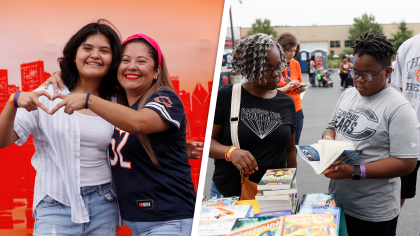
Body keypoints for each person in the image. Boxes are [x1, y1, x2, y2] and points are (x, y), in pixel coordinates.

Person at [43, 34, 197, 235]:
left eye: (141, 61)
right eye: (125, 60)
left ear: (156, 71)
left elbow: (138, 123)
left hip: (169, 219)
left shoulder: (166, 98)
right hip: (136, 221)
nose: (132, 66)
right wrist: (61, 75)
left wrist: (87, 100)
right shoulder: (117, 103)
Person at [0, 20, 122, 235]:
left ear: (112, 60)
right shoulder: (46, 94)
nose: (95, 55)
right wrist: (13, 101)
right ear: (74, 54)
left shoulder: (117, 101)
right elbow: (2, 141)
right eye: (87, 48)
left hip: (105, 203)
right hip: (56, 202)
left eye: (104, 50)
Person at [322, 32, 419, 236]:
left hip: (373, 213)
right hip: (338, 202)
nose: (358, 80)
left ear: (388, 72)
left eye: (367, 74)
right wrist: (329, 141)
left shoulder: (399, 107)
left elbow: (407, 162)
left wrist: (354, 171)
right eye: (354, 72)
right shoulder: (349, 94)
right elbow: (331, 125)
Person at [209, 33, 297, 198]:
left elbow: (290, 151)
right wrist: (230, 152)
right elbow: (208, 143)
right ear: (250, 68)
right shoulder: (227, 97)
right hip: (230, 195)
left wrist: (290, 185)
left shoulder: (286, 103)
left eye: (279, 66)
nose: (275, 74)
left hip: (274, 195)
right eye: (267, 69)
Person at [390, 34, 420, 210]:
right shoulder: (408, 46)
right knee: (399, 192)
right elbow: (401, 88)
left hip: (410, 130)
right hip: (410, 132)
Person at [276, 32, 306, 145]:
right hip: (278, 109)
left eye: (294, 50)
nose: (292, 54)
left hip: (296, 108)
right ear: (280, 49)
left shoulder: (295, 64)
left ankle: (293, 164)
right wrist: (283, 89)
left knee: (294, 144)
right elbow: (264, 91)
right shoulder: (272, 65)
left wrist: (300, 88)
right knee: (280, 145)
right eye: (289, 50)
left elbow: (299, 81)